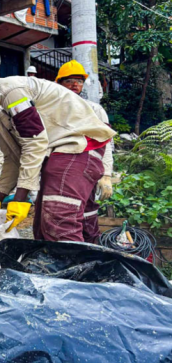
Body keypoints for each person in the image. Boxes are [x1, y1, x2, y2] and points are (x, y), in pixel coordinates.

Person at [0, 57, 116, 242]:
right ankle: (55, 269)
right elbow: (12, 157)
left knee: (59, 220)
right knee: (42, 227)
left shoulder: (10, 92)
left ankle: (75, 271)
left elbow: (34, 143)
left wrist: (19, 199)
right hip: (63, 151)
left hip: (79, 145)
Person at [56, 60, 114, 242]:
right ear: (59, 83)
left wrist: (106, 176)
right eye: (69, 80)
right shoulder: (51, 110)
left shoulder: (95, 110)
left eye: (79, 81)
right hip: (59, 174)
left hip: (86, 173)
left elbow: (106, 144)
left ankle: (92, 255)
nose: (75, 85)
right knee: (59, 219)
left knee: (88, 217)